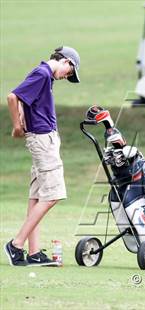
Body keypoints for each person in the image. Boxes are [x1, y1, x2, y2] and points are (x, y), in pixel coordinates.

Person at [4, 46, 80, 266]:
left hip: (44, 139)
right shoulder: (43, 73)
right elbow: (12, 97)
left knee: (37, 195)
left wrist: (21, 115)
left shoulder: (45, 76)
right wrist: (17, 126)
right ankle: (16, 245)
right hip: (42, 140)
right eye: (70, 72)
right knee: (53, 194)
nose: (67, 77)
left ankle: (34, 252)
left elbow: (22, 99)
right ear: (66, 61)